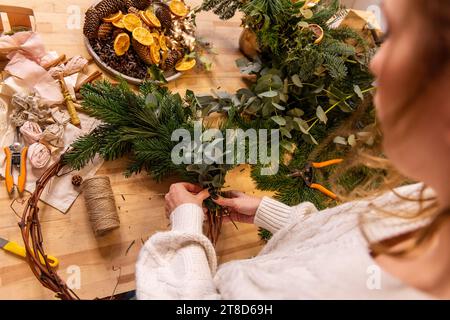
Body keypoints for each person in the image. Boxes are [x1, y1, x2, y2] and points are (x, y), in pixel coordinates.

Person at [136, 0, 450, 299]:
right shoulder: (428, 200)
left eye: (400, 36)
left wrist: (186, 226)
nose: (377, 63)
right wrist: (272, 214)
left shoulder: (366, 288)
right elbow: (337, 241)